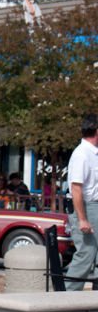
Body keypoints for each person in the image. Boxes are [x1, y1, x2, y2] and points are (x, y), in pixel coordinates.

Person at [64, 114, 98, 290]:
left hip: (93, 206)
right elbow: (76, 188)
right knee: (86, 252)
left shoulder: (93, 154)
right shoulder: (82, 154)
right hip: (86, 207)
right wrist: (82, 218)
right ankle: (65, 297)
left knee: (94, 253)